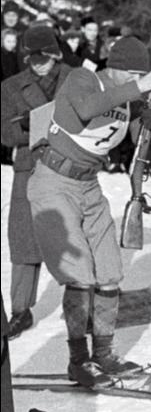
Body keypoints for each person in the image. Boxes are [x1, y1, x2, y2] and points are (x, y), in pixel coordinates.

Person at [25, 36, 151, 387]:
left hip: (89, 185)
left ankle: (104, 354)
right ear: (119, 68)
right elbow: (86, 108)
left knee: (109, 272)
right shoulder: (84, 78)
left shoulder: (129, 99)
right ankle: (78, 361)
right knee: (79, 276)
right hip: (53, 181)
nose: (136, 81)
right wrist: (140, 86)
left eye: (141, 75)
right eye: (133, 74)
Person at [1, 25, 72, 340]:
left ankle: (81, 304)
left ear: (55, 54)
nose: (38, 63)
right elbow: (7, 133)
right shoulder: (11, 86)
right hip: (29, 168)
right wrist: (41, 125)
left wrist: (40, 121)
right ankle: (20, 311)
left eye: (44, 57)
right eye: (32, 57)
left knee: (74, 237)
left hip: (69, 166)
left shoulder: (75, 79)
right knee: (24, 241)